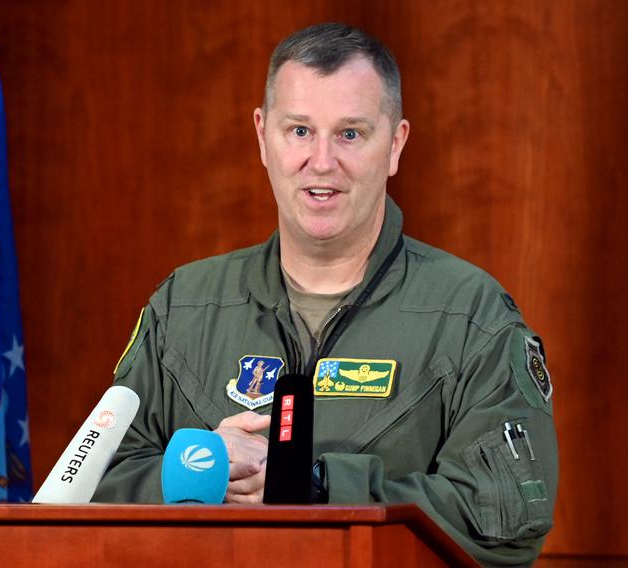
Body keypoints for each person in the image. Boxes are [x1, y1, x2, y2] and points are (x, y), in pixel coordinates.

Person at [94, 22, 557, 566]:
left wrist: (312, 484)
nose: (321, 162)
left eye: (351, 134)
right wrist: (201, 467)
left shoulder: (471, 316)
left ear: (395, 144)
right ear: (262, 136)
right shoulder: (183, 306)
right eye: (299, 131)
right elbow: (90, 484)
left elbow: (506, 521)